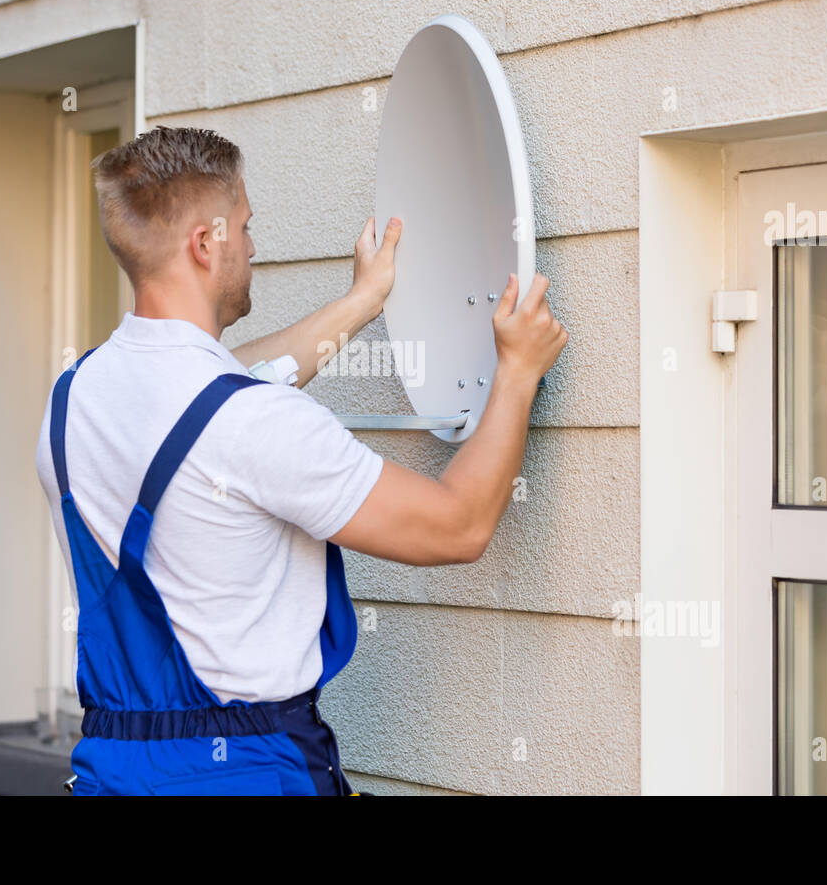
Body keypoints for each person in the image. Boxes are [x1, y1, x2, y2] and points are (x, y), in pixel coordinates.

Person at [35, 125, 566, 795]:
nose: (254, 248)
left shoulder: (72, 399)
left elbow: (214, 390)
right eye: (246, 227)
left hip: (111, 773)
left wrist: (361, 302)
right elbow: (458, 525)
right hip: (249, 774)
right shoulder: (254, 423)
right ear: (206, 245)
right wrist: (517, 373)